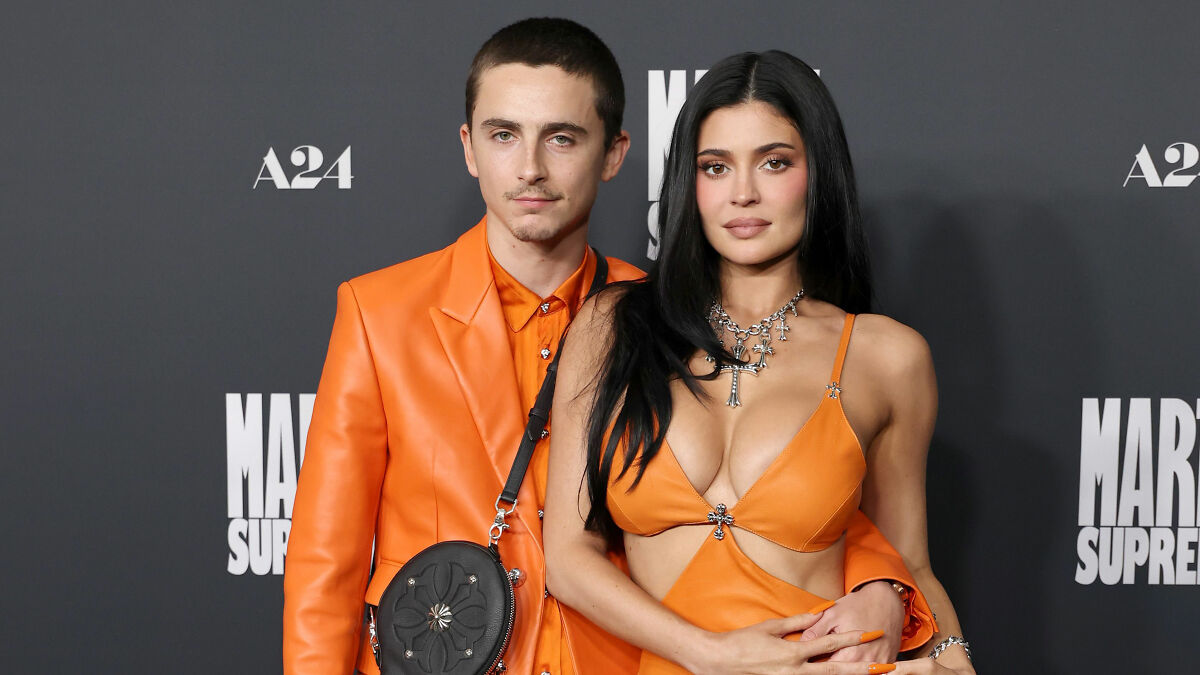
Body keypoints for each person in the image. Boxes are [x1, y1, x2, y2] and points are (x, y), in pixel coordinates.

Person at [284, 19, 934, 675]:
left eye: (561, 138)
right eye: (503, 135)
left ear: (615, 153)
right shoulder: (381, 313)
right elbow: (324, 561)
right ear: (470, 147)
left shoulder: (662, 319)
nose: (531, 168)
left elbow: (806, 488)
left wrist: (885, 587)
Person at [543, 50, 974, 675]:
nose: (743, 193)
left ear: (817, 172)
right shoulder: (614, 325)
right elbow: (568, 558)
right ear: (689, 185)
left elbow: (912, 566)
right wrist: (713, 655)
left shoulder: (888, 357)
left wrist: (954, 660)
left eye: (775, 163)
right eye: (715, 168)